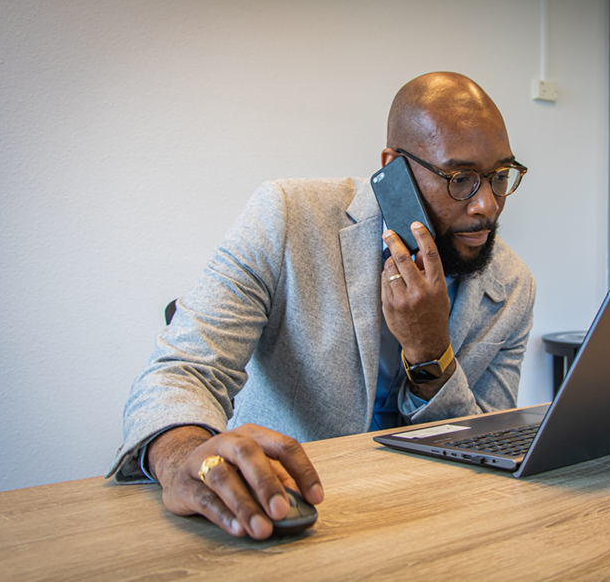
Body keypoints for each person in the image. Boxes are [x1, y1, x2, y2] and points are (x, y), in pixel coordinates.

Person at [107, 72, 536, 539]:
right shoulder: (287, 217)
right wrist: (181, 459)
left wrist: (431, 351)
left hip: (435, 523)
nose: (487, 206)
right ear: (394, 168)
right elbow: (180, 369)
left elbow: (491, 449)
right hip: (295, 516)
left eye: (499, 177)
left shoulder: (512, 286)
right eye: (461, 179)